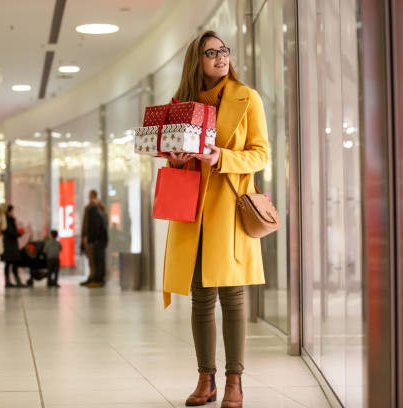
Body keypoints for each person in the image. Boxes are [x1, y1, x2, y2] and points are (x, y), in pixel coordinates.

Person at [161, 31, 270, 408]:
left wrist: (220, 157)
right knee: (200, 296)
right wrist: (177, 159)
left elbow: (260, 155)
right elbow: (182, 156)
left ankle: (234, 382)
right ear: (198, 60)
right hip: (193, 211)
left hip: (229, 208)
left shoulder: (246, 98)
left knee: (233, 295)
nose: (221, 57)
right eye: (212, 52)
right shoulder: (182, 105)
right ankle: (205, 378)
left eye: (224, 50)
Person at [80, 190, 108, 287]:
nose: (90, 198)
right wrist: (84, 236)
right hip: (88, 237)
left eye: (92, 196)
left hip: (96, 239)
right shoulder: (88, 208)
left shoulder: (99, 208)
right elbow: (85, 223)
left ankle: (97, 278)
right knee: (91, 259)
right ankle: (92, 277)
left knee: (97, 260)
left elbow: (103, 221)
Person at [2, 205, 25, 287]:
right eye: (11, 211)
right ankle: (10, 281)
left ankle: (12, 280)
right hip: (9, 246)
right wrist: (19, 233)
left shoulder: (10, 220)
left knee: (11, 263)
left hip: (11, 245)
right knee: (11, 263)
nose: (12, 213)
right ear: (8, 212)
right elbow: (11, 232)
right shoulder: (7, 221)